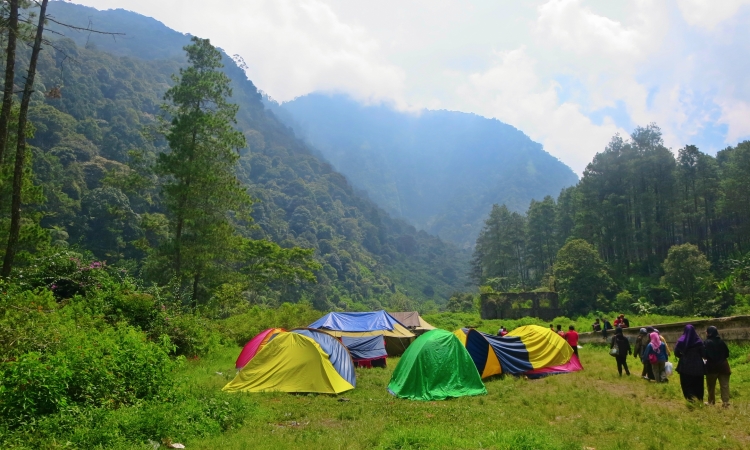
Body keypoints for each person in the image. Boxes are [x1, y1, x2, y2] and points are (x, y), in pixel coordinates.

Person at [674, 324, 705, 402]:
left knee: (686, 384)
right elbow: (703, 353)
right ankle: (699, 399)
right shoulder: (698, 341)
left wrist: (683, 356)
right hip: (698, 366)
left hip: (685, 366)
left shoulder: (681, 341)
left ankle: (690, 399)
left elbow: (676, 353)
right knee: (698, 384)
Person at [704, 326, 731, 407]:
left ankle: (711, 402)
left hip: (712, 367)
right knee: (725, 385)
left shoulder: (706, 342)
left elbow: (704, 355)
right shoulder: (721, 342)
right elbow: (727, 354)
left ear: (709, 333)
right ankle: (725, 402)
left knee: (711, 386)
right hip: (723, 366)